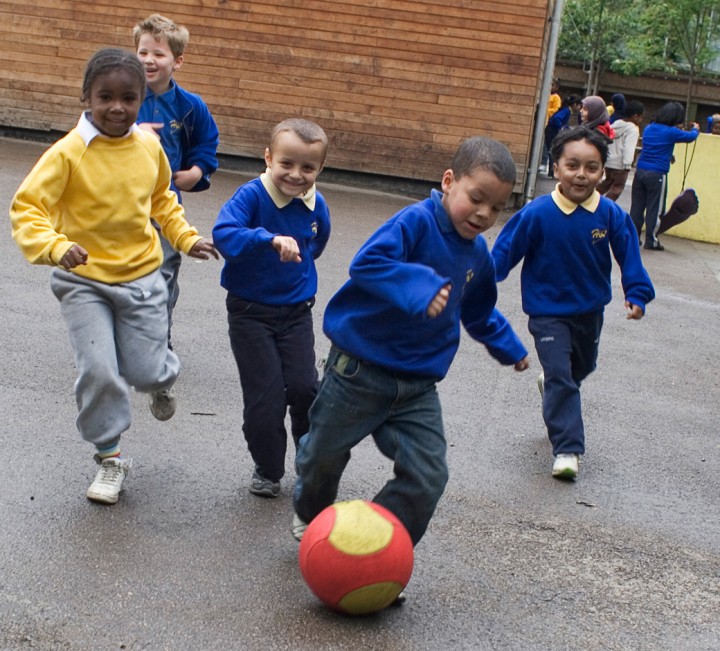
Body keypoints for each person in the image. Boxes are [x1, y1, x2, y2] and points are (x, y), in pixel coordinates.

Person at [291, 136, 530, 549]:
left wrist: (509, 345)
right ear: (449, 180)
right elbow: (368, 263)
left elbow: (478, 311)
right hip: (357, 372)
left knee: (428, 477)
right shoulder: (415, 222)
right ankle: (312, 516)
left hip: (417, 388)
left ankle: (379, 547)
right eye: (477, 198)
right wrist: (419, 286)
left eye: (497, 207)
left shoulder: (479, 257)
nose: (484, 213)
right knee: (321, 458)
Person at [9, 48, 219, 504]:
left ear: (142, 98)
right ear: (87, 97)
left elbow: (162, 199)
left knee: (145, 371)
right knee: (100, 368)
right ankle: (109, 458)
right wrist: (56, 246)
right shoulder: (67, 153)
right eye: (106, 97)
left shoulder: (148, 146)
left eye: (128, 97)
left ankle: (161, 378)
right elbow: (27, 208)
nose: (118, 107)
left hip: (142, 276)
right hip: (83, 280)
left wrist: (185, 238)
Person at [492, 127, 655, 481]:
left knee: (580, 369)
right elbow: (504, 251)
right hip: (547, 312)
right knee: (563, 378)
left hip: (589, 311)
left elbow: (629, 256)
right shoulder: (537, 213)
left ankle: (552, 381)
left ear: (602, 172)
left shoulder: (610, 214)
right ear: (556, 167)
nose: (581, 174)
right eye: (573, 165)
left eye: (591, 167)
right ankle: (567, 449)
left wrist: (637, 293)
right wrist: (480, 281)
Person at [212, 119, 331, 498]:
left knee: (305, 388)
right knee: (265, 399)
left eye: (307, 168)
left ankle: (309, 458)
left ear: (319, 169)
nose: (296, 175)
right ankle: (268, 467)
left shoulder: (316, 204)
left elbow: (318, 240)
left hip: (296, 311)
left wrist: (300, 274)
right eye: (287, 164)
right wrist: (268, 240)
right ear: (268, 158)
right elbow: (225, 234)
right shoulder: (252, 196)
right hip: (250, 312)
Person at [133, 14, 219, 351]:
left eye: (158, 54)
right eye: (142, 52)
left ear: (177, 61)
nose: (149, 60)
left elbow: (206, 142)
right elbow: (90, 133)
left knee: (165, 270)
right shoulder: (120, 97)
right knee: (119, 273)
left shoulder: (189, 106)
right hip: (120, 203)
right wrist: (130, 131)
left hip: (165, 204)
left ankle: (158, 341)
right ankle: (119, 334)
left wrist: (198, 171)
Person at [629, 101, 700, 251]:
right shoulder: (671, 132)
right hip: (657, 174)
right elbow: (691, 137)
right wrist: (696, 129)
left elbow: (657, 147)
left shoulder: (649, 128)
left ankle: (633, 237)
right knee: (655, 208)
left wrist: (669, 156)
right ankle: (652, 240)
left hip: (640, 171)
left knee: (637, 206)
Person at [597, 100, 645, 201]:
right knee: (616, 188)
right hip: (621, 164)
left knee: (606, 183)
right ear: (635, 116)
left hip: (609, 161)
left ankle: (591, 197)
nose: (641, 120)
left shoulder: (616, 124)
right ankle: (605, 207)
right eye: (641, 117)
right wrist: (628, 164)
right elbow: (629, 147)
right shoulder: (633, 129)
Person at [545, 94, 582, 178]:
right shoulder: (567, 111)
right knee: (553, 150)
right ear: (575, 104)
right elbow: (557, 119)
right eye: (579, 105)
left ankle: (551, 171)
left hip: (551, 131)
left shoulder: (567, 110)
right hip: (551, 131)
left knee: (553, 150)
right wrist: (562, 128)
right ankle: (552, 171)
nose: (580, 108)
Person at [540, 79, 562, 173]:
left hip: (549, 123)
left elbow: (556, 109)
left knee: (546, 145)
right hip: (543, 122)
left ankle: (544, 163)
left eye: (553, 85)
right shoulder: (546, 95)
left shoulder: (556, 97)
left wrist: (545, 111)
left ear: (556, 87)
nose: (551, 87)